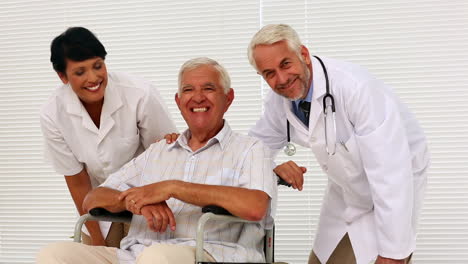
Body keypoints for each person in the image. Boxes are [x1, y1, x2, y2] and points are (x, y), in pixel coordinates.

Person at [36, 57, 277, 264]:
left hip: (210, 254)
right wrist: (138, 203)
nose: (198, 97)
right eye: (188, 90)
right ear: (178, 101)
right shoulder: (158, 151)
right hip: (136, 254)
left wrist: (173, 188)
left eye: (209, 88)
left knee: (157, 258)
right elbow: (93, 198)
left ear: (229, 98)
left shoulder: (251, 149)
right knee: (55, 254)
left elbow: (255, 207)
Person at [247, 24, 429, 264]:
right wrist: (270, 167)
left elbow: (391, 174)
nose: (281, 79)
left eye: (285, 64)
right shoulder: (279, 103)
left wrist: (393, 254)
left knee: (388, 257)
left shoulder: (355, 89)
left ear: (303, 54)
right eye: (269, 73)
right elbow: (251, 152)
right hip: (346, 191)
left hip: (393, 189)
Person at [40, 27, 177, 247]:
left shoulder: (139, 93)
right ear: (62, 76)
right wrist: (97, 241)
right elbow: (78, 183)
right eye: (80, 72)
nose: (93, 78)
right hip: (99, 203)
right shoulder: (53, 114)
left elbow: (167, 155)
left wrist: (151, 205)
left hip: (149, 201)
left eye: (98, 66)